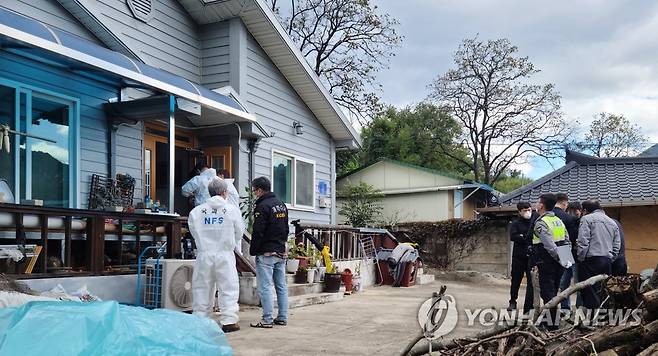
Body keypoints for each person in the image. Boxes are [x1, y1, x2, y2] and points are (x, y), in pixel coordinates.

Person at [188, 178, 245, 333]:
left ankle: (201, 319)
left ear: (210, 192)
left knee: (202, 287)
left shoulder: (196, 212)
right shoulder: (232, 210)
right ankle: (229, 321)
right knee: (228, 287)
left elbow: (193, 232)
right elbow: (239, 232)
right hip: (224, 253)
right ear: (224, 192)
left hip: (204, 253)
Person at [249, 177, 289, 329]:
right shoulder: (281, 205)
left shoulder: (262, 206)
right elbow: (285, 228)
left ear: (259, 190)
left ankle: (267, 319)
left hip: (266, 252)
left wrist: (254, 250)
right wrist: (282, 246)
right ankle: (282, 317)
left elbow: (258, 231)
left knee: (265, 286)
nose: (254, 193)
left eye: (254, 190)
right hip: (280, 251)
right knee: (281, 286)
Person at [532, 193, 571, 329]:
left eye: (538, 202)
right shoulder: (558, 220)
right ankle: (550, 319)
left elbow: (549, 245)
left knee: (547, 291)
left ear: (541, 205)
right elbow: (567, 240)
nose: (536, 205)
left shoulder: (541, 222)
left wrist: (558, 258)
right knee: (554, 290)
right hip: (560, 260)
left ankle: (552, 323)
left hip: (547, 260)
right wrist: (565, 259)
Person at [577, 199, 621, 309]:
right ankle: (604, 316)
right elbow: (617, 244)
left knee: (589, 290)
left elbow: (583, 241)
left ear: (585, 210)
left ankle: (592, 317)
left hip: (590, 260)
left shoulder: (586, 219)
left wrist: (581, 258)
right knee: (604, 290)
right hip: (607, 260)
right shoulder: (612, 222)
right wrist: (611, 258)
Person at [508, 202, 536, 313]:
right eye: (525, 210)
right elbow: (513, 236)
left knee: (532, 281)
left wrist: (523, 236)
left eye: (529, 209)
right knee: (516, 280)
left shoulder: (534, 222)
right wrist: (525, 238)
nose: (528, 212)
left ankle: (530, 303)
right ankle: (512, 301)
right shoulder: (515, 223)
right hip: (518, 256)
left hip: (531, 256)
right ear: (519, 211)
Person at [554, 194, 579, 310]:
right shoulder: (569, 219)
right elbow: (573, 237)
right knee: (573, 281)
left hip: (551, 250)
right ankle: (566, 307)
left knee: (561, 281)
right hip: (566, 250)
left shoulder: (546, 215)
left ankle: (558, 307)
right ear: (565, 203)